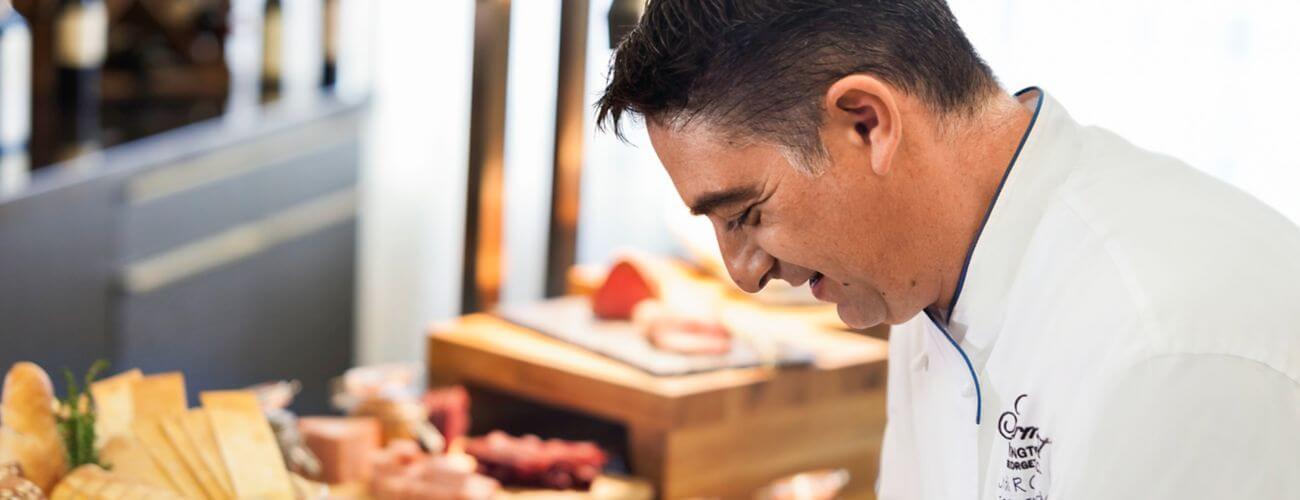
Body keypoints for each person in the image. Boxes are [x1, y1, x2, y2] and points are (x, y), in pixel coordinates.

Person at [594, 1, 1300, 498]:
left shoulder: (1164, 346)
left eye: (747, 213)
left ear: (868, 124)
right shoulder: (915, 268)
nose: (743, 274)